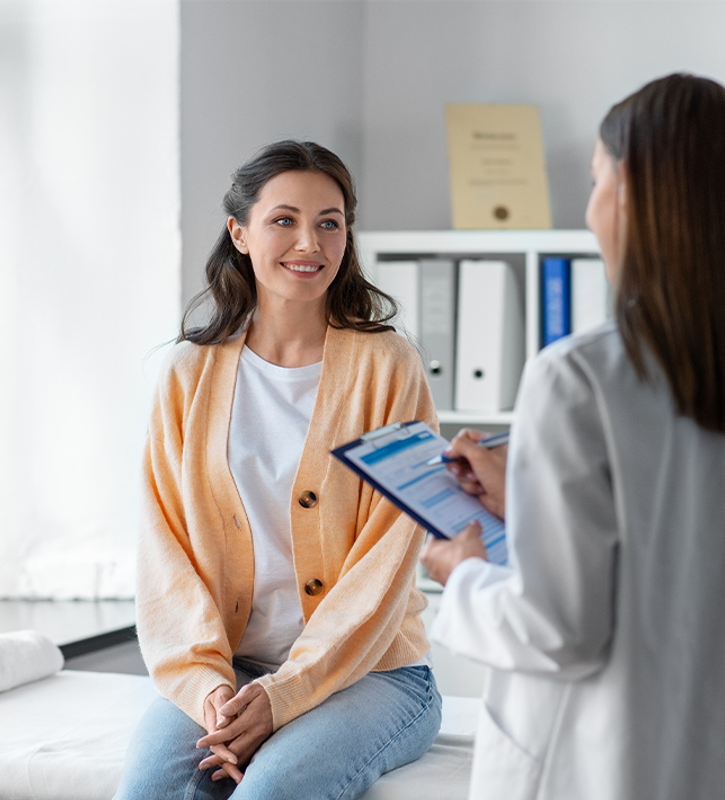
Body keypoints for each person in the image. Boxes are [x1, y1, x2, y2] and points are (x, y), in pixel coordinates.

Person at [421, 74, 725, 800]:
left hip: (614, 769)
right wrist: (528, 509)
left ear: (633, 189)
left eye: (594, 180)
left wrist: (462, 574)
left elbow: (558, 629)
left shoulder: (578, 377)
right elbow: (693, 556)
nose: (589, 212)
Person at [113, 140, 440, 800]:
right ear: (239, 232)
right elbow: (164, 550)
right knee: (151, 791)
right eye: (284, 220)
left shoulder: (389, 367)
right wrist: (211, 693)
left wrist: (285, 695)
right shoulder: (187, 373)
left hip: (372, 675)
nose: (309, 243)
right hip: (225, 672)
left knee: (271, 792)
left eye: (330, 222)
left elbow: (391, 554)